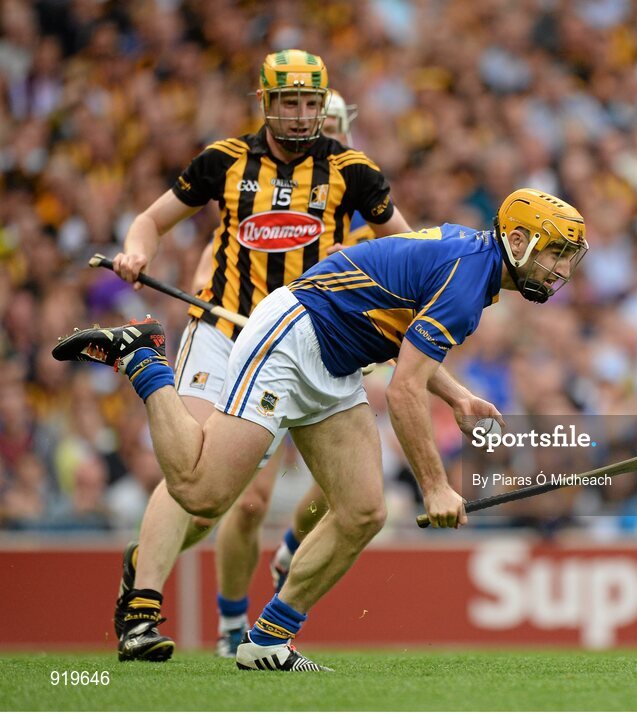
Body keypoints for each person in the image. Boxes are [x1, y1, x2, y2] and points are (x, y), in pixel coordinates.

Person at [54, 188, 588, 671]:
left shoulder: (475, 263)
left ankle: (268, 641)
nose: (558, 268)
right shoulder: (471, 280)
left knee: (363, 511)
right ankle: (144, 359)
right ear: (516, 240)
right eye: (554, 252)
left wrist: (457, 394)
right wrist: (435, 486)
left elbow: (407, 345)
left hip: (336, 363)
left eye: (565, 257)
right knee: (200, 492)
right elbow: (401, 392)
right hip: (296, 336)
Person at [102, 49, 411, 663]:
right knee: (199, 480)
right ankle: (143, 609)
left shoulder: (354, 172)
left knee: (259, 501)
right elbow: (151, 220)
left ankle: (278, 564)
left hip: (304, 344)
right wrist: (136, 252)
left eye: (310, 104)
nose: (301, 116)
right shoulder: (225, 161)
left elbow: (406, 252)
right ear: (266, 103)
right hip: (224, 330)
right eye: (288, 103)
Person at [203, 87, 382, 658]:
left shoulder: (355, 201)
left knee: (350, 489)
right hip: (264, 350)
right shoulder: (259, 195)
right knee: (250, 500)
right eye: (309, 117)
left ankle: (290, 547)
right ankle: (233, 623)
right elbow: (213, 261)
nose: (317, 129)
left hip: (329, 360)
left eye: (328, 121)